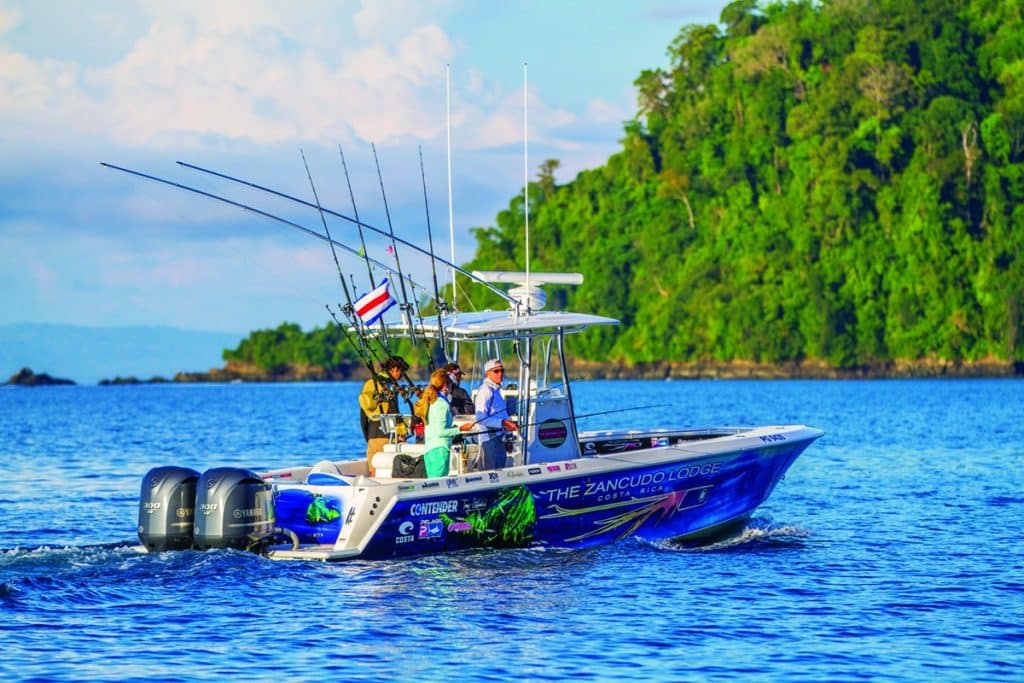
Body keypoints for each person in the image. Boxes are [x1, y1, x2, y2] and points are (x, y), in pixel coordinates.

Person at [416, 368, 474, 477]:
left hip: (429, 449)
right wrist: (460, 429)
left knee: (433, 485)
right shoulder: (441, 404)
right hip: (440, 450)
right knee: (437, 486)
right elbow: (440, 431)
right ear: (446, 385)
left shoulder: (431, 402)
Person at [358, 355, 408, 476]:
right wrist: (402, 433)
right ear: (394, 369)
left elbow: (363, 415)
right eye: (401, 373)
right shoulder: (390, 386)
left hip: (372, 432)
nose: (401, 377)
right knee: (384, 468)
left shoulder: (370, 384)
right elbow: (394, 411)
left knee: (373, 468)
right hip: (386, 434)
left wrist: (367, 437)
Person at [473, 358, 518, 470]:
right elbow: (480, 418)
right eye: (496, 371)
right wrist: (502, 423)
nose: (500, 373)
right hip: (489, 441)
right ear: (487, 373)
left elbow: (502, 415)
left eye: (502, 370)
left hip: (500, 439)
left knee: (500, 472)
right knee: (492, 475)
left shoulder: (496, 391)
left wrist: (507, 437)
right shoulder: (485, 390)